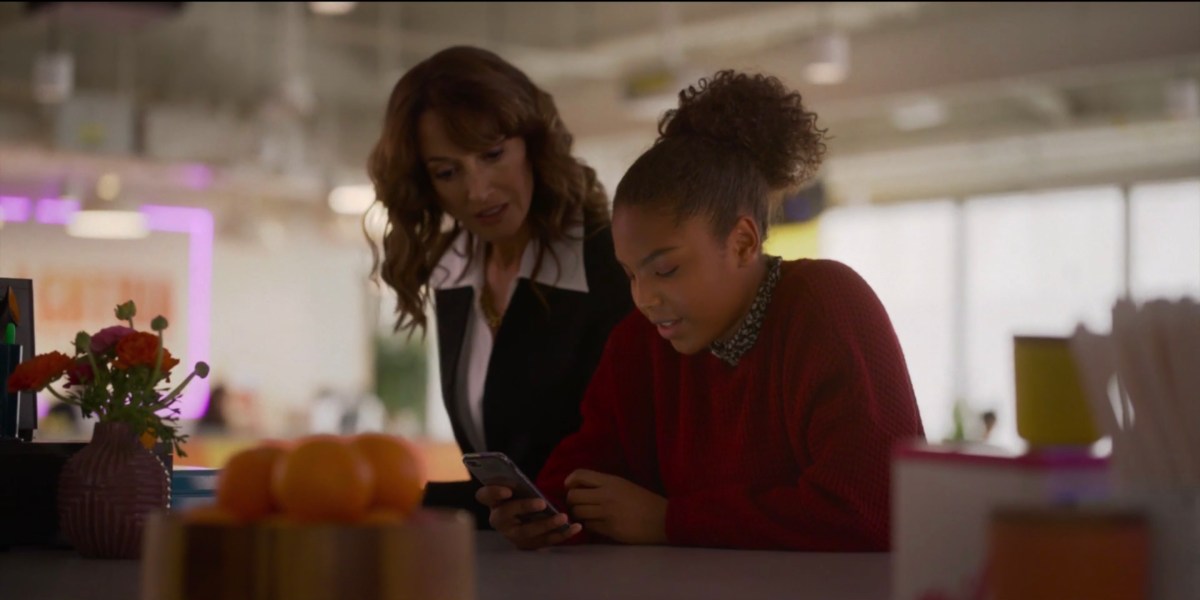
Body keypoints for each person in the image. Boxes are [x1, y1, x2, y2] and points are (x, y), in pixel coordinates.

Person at [478, 70, 926, 551]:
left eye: (665, 269)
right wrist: (542, 514)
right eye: (631, 274)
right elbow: (583, 478)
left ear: (742, 242)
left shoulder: (825, 305)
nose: (644, 297)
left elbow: (876, 509)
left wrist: (671, 522)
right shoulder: (638, 342)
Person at [366, 46, 634, 528]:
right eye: (448, 172)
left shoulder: (611, 266)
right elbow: (506, 490)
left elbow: (637, 465)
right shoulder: (454, 273)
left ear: (533, 144)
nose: (478, 191)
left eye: (492, 155)